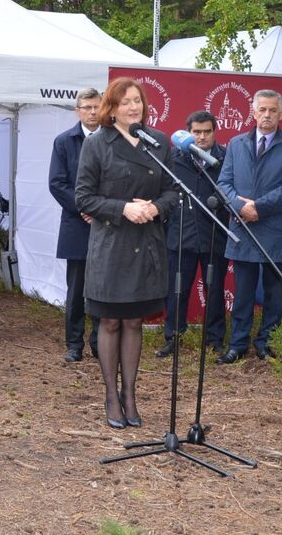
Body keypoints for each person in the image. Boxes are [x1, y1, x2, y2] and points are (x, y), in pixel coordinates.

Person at [75, 77, 177, 429]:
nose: (134, 107)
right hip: (111, 245)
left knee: (135, 321)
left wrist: (155, 208)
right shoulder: (98, 144)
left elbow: (172, 191)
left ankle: (130, 394)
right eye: (126, 102)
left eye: (138, 101)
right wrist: (123, 208)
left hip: (146, 244)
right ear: (112, 108)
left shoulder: (159, 142)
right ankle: (110, 396)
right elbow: (83, 197)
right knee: (111, 320)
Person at [216, 89, 282, 364]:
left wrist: (259, 208)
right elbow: (223, 184)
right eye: (262, 110)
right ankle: (238, 344)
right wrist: (240, 207)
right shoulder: (235, 143)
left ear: (281, 114)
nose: (267, 115)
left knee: (274, 294)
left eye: (272, 110)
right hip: (243, 230)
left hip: (274, 231)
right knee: (242, 294)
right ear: (253, 113)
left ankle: (267, 342)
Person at [157, 110, 229, 358]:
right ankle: (173, 337)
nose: (201, 137)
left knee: (216, 288)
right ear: (188, 133)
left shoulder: (225, 158)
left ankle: (215, 339)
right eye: (196, 132)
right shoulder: (174, 158)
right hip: (180, 234)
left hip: (214, 235)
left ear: (214, 132)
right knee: (177, 289)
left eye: (206, 132)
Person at [48, 87, 102, 363]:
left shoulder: (112, 139)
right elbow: (56, 183)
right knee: (77, 288)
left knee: (103, 288)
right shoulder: (64, 141)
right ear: (77, 110)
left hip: (106, 226)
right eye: (87, 107)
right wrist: (83, 208)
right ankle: (74, 344)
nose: (92, 112)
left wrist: (102, 210)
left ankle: (100, 344)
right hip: (77, 225)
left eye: (96, 106)